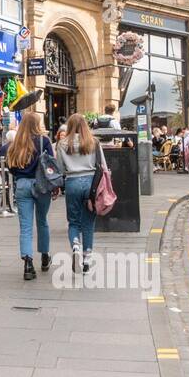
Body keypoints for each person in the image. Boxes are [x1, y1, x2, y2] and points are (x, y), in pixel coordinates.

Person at [5, 111, 54, 280]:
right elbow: (51, 163)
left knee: (25, 226)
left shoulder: (16, 143)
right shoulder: (44, 141)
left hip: (22, 184)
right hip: (41, 185)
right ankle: (45, 256)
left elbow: (10, 166)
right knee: (42, 221)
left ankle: (28, 263)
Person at [57, 113, 106, 274]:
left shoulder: (62, 143)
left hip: (72, 183)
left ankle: (75, 244)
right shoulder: (94, 142)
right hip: (91, 184)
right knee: (88, 223)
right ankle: (86, 259)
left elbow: (59, 168)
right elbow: (103, 165)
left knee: (73, 222)